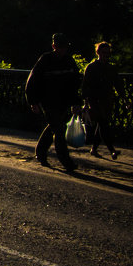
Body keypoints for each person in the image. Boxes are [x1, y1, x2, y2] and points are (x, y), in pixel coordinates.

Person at [25, 33, 83, 172]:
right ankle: (66, 161)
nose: (62, 50)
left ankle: (40, 151)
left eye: (64, 48)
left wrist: (76, 102)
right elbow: (32, 82)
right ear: (54, 47)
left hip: (63, 101)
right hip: (48, 101)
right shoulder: (45, 60)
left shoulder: (69, 61)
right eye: (60, 47)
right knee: (59, 129)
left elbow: (75, 83)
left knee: (54, 126)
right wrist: (33, 101)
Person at [81, 41, 120, 159]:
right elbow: (85, 85)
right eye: (103, 52)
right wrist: (85, 101)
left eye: (108, 53)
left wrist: (124, 98)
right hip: (94, 100)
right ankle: (111, 149)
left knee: (101, 124)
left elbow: (118, 84)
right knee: (103, 123)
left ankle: (94, 149)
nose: (105, 55)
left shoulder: (111, 68)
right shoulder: (91, 67)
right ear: (98, 52)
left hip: (107, 100)